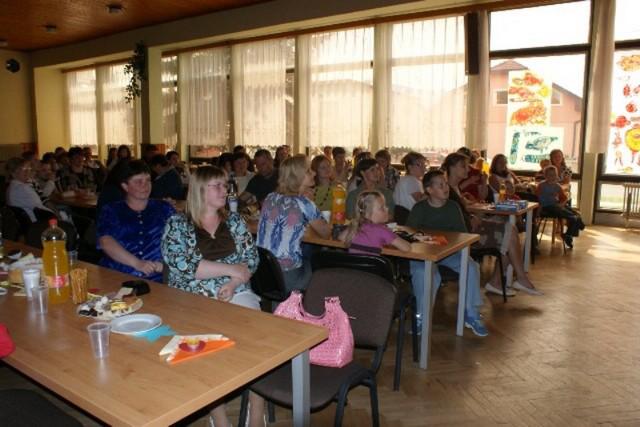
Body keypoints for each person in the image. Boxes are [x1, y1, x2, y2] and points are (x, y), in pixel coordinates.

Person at [162, 165, 265, 427]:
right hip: (193, 298)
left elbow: (251, 259)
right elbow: (182, 265)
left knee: (257, 341)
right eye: (217, 185)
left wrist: (233, 282)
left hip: (235, 290)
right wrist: (230, 269)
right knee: (204, 350)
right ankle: (218, 417)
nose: (225, 190)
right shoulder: (177, 224)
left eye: (225, 184)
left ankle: (256, 409)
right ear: (199, 190)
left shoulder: (235, 221)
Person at [442, 152, 542, 296]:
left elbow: (462, 210)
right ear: (451, 168)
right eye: (463, 166)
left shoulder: (455, 188)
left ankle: (503, 281)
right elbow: (452, 217)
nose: (468, 169)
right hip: (463, 235)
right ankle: (513, 279)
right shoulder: (446, 190)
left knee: (509, 230)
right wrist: (473, 216)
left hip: (470, 227)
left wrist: (473, 212)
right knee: (509, 234)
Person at [407, 170, 488, 337]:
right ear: (429, 190)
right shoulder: (419, 208)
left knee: (471, 267)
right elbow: (409, 234)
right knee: (424, 273)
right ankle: (421, 317)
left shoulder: (453, 207)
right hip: (424, 254)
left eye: (446, 184)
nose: (446, 187)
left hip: (448, 252)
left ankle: (471, 313)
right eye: (440, 185)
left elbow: (462, 235)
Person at [257, 155, 331, 291]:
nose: (314, 173)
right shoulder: (304, 203)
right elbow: (326, 233)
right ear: (297, 176)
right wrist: (311, 203)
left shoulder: (270, 197)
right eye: (309, 171)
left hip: (263, 272)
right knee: (324, 267)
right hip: (288, 277)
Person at [97, 160, 175, 282]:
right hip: (119, 274)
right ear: (125, 186)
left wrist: (165, 265)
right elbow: (105, 241)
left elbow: (180, 239)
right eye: (139, 181)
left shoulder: (164, 208)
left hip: (158, 275)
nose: (145, 185)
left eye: (148, 180)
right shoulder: (112, 210)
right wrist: (137, 263)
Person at [340, 190, 410, 254]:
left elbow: (341, 238)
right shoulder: (383, 230)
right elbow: (406, 248)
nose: (387, 209)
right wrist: (393, 236)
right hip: (372, 264)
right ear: (368, 214)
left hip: (355, 263)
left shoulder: (356, 227)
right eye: (382, 208)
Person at [536, 165, 585, 249]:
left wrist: (561, 204)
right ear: (545, 176)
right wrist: (538, 211)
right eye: (550, 175)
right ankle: (579, 226)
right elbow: (538, 199)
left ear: (557, 175)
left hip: (556, 206)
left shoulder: (557, 186)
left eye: (554, 175)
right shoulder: (541, 185)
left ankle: (568, 235)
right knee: (573, 218)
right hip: (546, 207)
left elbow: (564, 198)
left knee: (577, 214)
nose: (552, 177)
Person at [5, 157, 56, 222]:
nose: (27, 172)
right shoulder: (22, 188)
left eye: (28, 169)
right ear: (13, 173)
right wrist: (57, 217)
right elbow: (41, 209)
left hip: (30, 222)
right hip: (37, 224)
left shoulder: (12, 187)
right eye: (23, 169)